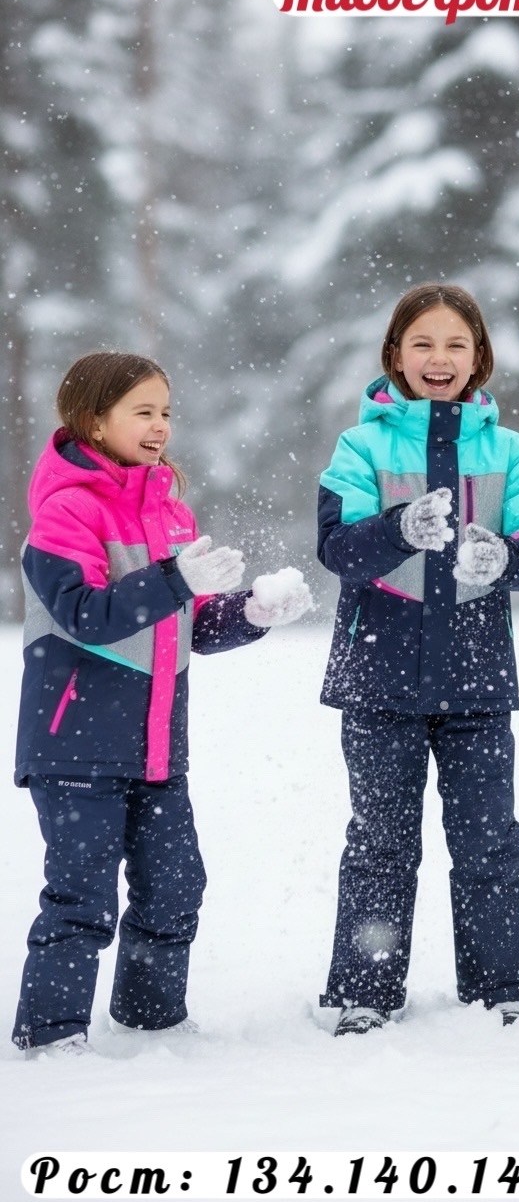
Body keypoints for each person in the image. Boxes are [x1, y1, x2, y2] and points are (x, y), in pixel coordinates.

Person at [12, 351, 313, 1057]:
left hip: (156, 747)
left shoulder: (171, 512)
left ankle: (152, 1020)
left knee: (175, 885)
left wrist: (252, 612)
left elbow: (189, 625)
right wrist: (175, 579)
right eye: (142, 412)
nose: (159, 426)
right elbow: (84, 615)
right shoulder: (65, 511)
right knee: (82, 896)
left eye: (166, 412)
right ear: (94, 421)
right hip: (74, 744)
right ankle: (52, 1036)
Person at [317, 282, 519, 1035]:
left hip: (476, 680)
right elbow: (337, 548)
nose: (439, 357)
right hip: (378, 680)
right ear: (394, 354)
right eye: (422, 343)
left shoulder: (508, 450)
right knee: (381, 844)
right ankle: (365, 992)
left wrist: (507, 557)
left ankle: (503, 988)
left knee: (489, 840)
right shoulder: (361, 447)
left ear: (478, 356)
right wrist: (398, 528)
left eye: (456, 344)